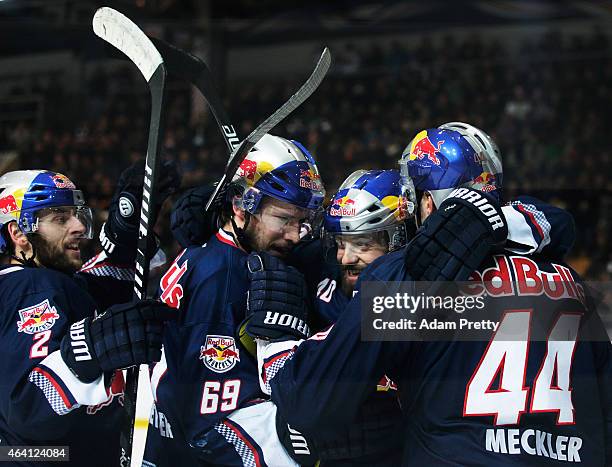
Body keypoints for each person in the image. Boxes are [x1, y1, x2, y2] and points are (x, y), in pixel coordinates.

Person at [246, 122, 611, 465]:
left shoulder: (410, 275)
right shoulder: (571, 282)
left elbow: (311, 405)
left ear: (429, 203)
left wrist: (276, 343)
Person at [143, 134, 325, 466]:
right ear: (241, 208)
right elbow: (209, 422)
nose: (295, 234)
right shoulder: (224, 278)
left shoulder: (222, 251)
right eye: (284, 219)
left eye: (302, 221)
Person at [0, 168, 177, 467]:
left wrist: (125, 228)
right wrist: (85, 352)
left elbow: (100, 285)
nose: (78, 226)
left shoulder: (50, 282)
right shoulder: (31, 288)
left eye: (76, 214)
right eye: (59, 218)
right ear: (19, 233)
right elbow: (27, 411)